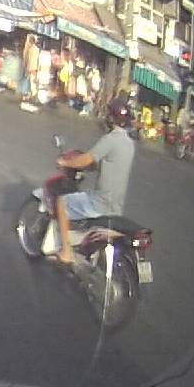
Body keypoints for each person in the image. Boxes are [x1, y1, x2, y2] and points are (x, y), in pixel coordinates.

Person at [53, 101, 136, 265]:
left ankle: (66, 252)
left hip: (100, 203)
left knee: (62, 202)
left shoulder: (110, 139)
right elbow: (105, 163)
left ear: (111, 118)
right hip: (116, 206)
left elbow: (86, 159)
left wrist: (65, 162)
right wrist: (89, 166)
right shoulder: (129, 144)